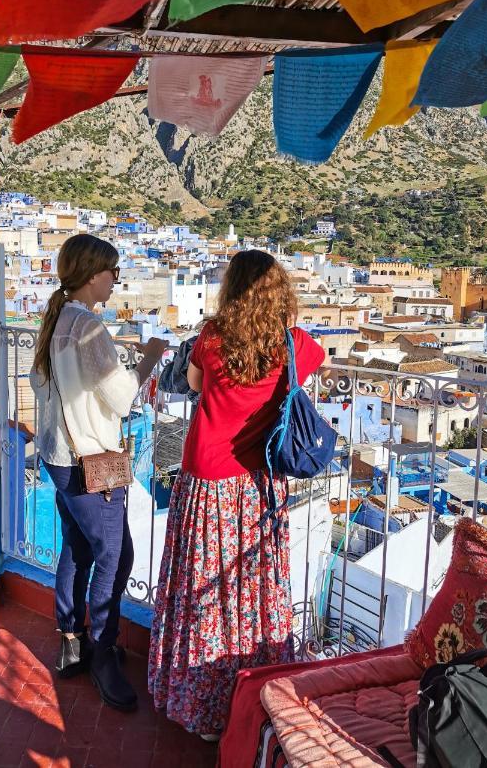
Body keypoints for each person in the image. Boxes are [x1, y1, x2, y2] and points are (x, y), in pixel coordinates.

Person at [148, 250, 325, 738]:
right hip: (258, 483)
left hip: (206, 480)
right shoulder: (295, 347)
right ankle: (248, 695)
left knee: (201, 589)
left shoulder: (212, 339)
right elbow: (313, 363)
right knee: (248, 587)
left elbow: (193, 384)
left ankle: (199, 704)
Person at [31, 234, 166, 712]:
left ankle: (71, 640)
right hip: (92, 465)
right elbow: (123, 397)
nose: (116, 281)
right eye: (113, 272)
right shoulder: (88, 328)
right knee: (116, 558)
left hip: (58, 459)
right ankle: (104, 651)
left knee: (78, 547)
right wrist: (150, 357)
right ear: (93, 275)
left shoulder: (56, 320)